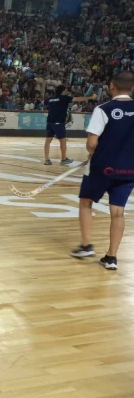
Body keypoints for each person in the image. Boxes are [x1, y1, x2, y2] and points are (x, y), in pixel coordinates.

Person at [70, 71, 134, 270]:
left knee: (86, 202)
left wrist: (93, 153)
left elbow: (91, 143)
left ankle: (87, 245)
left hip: (102, 168)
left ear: (111, 86)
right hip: (129, 170)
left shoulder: (103, 109)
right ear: (132, 88)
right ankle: (111, 257)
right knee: (118, 212)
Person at [44, 85, 97, 166]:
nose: (66, 91)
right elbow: (78, 99)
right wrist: (91, 97)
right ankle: (64, 159)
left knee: (48, 141)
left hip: (49, 122)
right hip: (59, 123)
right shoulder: (64, 98)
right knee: (63, 141)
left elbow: (43, 103)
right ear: (62, 91)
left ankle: (47, 160)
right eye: (65, 90)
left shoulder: (50, 98)